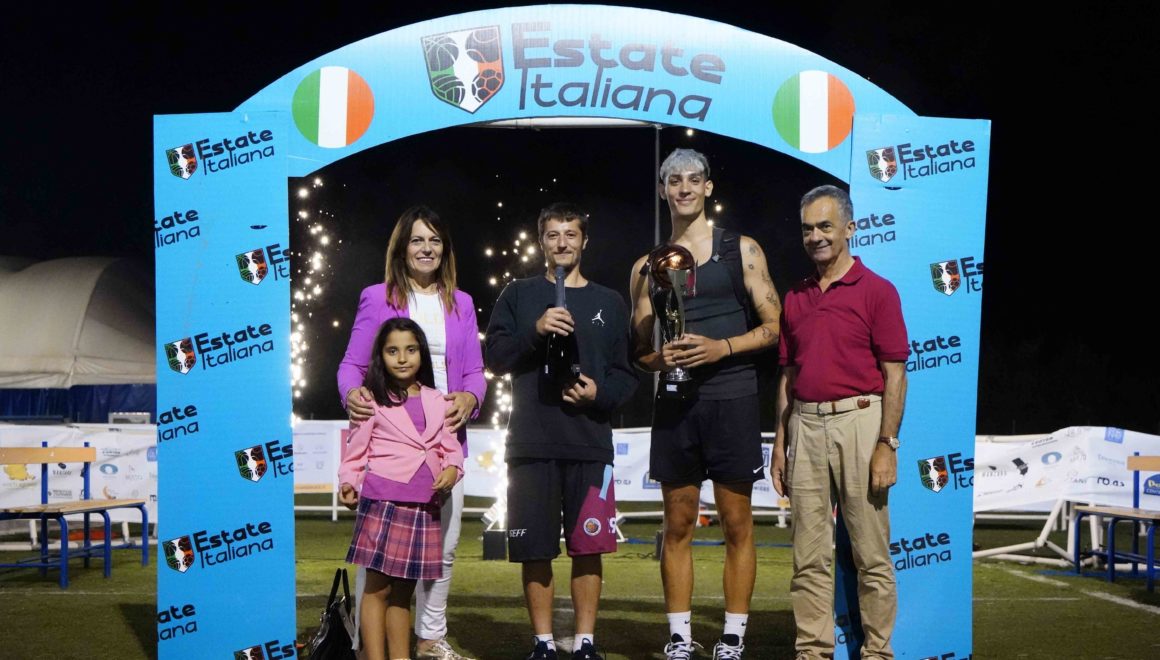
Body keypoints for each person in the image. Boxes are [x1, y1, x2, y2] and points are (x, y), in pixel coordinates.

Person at [628, 148, 781, 660]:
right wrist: (659, 357)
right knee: (677, 524)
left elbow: (775, 327)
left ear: (708, 188)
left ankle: (732, 636)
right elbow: (639, 353)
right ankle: (679, 637)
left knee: (737, 523)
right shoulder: (646, 266)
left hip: (732, 397)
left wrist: (722, 348)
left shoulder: (742, 250)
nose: (685, 188)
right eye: (674, 181)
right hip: (676, 405)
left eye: (694, 179)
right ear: (663, 190)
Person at [485, 203, 639, 660]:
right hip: (531, 444)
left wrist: (598, 395)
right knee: (535, 550)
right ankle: (544, 643)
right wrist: (536, 330)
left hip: (590, 445)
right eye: (553, 235)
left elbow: (626, 375)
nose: (562, 243)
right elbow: (496, 358)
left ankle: (586, 642)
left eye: (571, 234)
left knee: (588, 547)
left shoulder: (610, 301)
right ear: (541, 241)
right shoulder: (518, 295)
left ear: (584, 240)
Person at [337, 205, 485, 660]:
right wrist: (352, 395)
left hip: (445, 439)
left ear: (445, 249)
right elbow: (352, 365)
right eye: (417, 240)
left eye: (435, 240)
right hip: (389, 447)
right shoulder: (376, 297)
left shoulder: (461, 303)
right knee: (377, 564)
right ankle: (368, 646)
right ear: (402, 248)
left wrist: (470, 398)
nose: (426, 248)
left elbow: (475, 372)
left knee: (444, 547)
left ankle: (430, 637)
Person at [771, 185, 909, 660]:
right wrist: (780, 444)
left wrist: (887, 444)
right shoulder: (795, 296)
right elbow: (788, 378)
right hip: (805, 426)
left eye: (825, 226)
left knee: (871, 554)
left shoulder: (878, 291)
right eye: (807, 228)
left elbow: (895, 374)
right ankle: (812, 652)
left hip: (861, 423)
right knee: (808, 557)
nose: (815, 236)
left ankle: (878, 653)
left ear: (849, 228)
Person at [339, 317, 466, 660]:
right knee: (377, 590)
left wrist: (452, 469)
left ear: (422, 353)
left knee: (402, 595)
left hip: (425, 505)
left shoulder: (438, 399)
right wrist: (349, 480)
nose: (402, 358)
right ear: (381, 356)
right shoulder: (370, 399)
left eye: (410, 349)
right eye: (392, 350)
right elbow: (356, 449)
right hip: (384, 502)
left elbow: (451, 448)